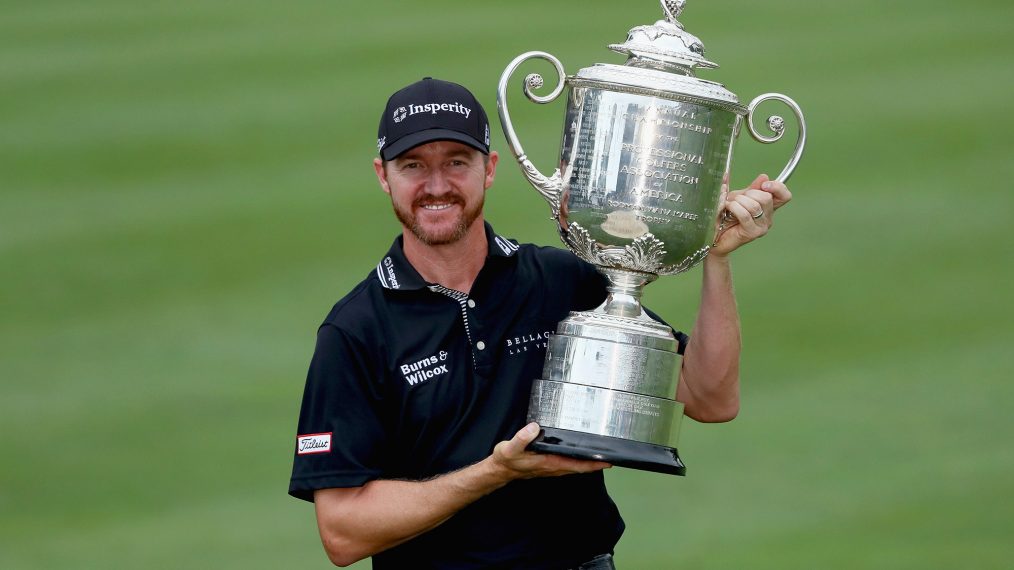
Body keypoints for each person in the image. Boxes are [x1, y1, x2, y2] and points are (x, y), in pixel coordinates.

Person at [289, 77, 791, 569]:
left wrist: (717, 258)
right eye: (414, 166)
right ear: (383, 175)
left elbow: (710, 398)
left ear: (489, 169)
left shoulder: (558, 280)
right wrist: (494, 472)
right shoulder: (355, 331)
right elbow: (343, 533)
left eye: (456, 163)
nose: (436, 185)